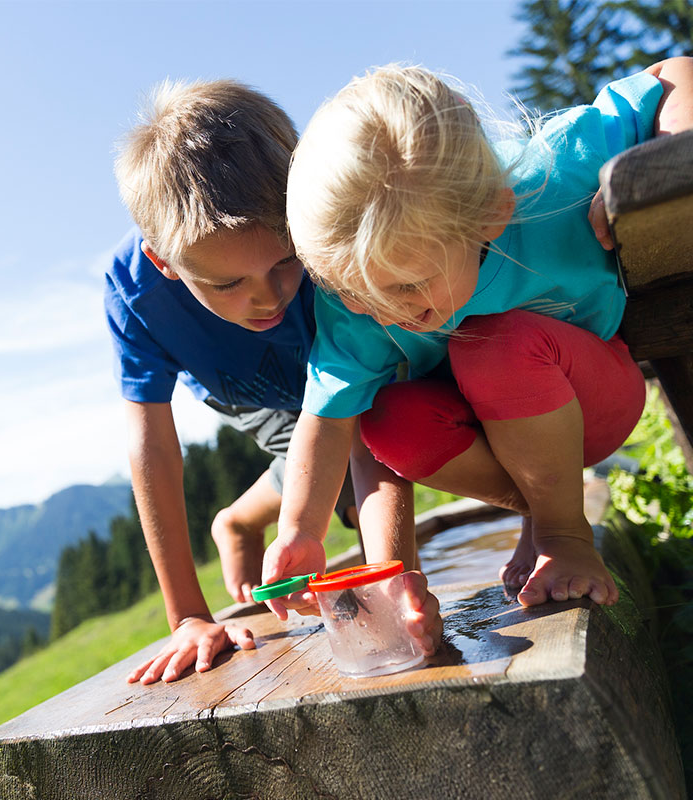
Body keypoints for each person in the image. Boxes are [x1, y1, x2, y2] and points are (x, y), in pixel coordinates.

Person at [263, 58, 693, 617]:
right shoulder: (366, 300)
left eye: (407, 286)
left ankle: (563, 534)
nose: (383, 314)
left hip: (594, 397)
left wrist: (670, 155)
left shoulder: (557, 176)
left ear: (490, 213)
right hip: (497, 440)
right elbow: (325, 416)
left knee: (490, 346)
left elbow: (675, 74)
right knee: (386, 420)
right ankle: (544, 508)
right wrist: (300, 531)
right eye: (349, 290)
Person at [107, 79, 441, 684]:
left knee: (363, 448)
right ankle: (236, 521)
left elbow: (359, 417)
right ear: (165, 264)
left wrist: (392, 580)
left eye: (285, 261)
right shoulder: (135, 293)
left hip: (337, 370)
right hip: (242, 384)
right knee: (318, 467)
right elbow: (151, 446)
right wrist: (186, 615)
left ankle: (239, 517)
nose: (268, 297)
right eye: (228, 284)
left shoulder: (324, 234)